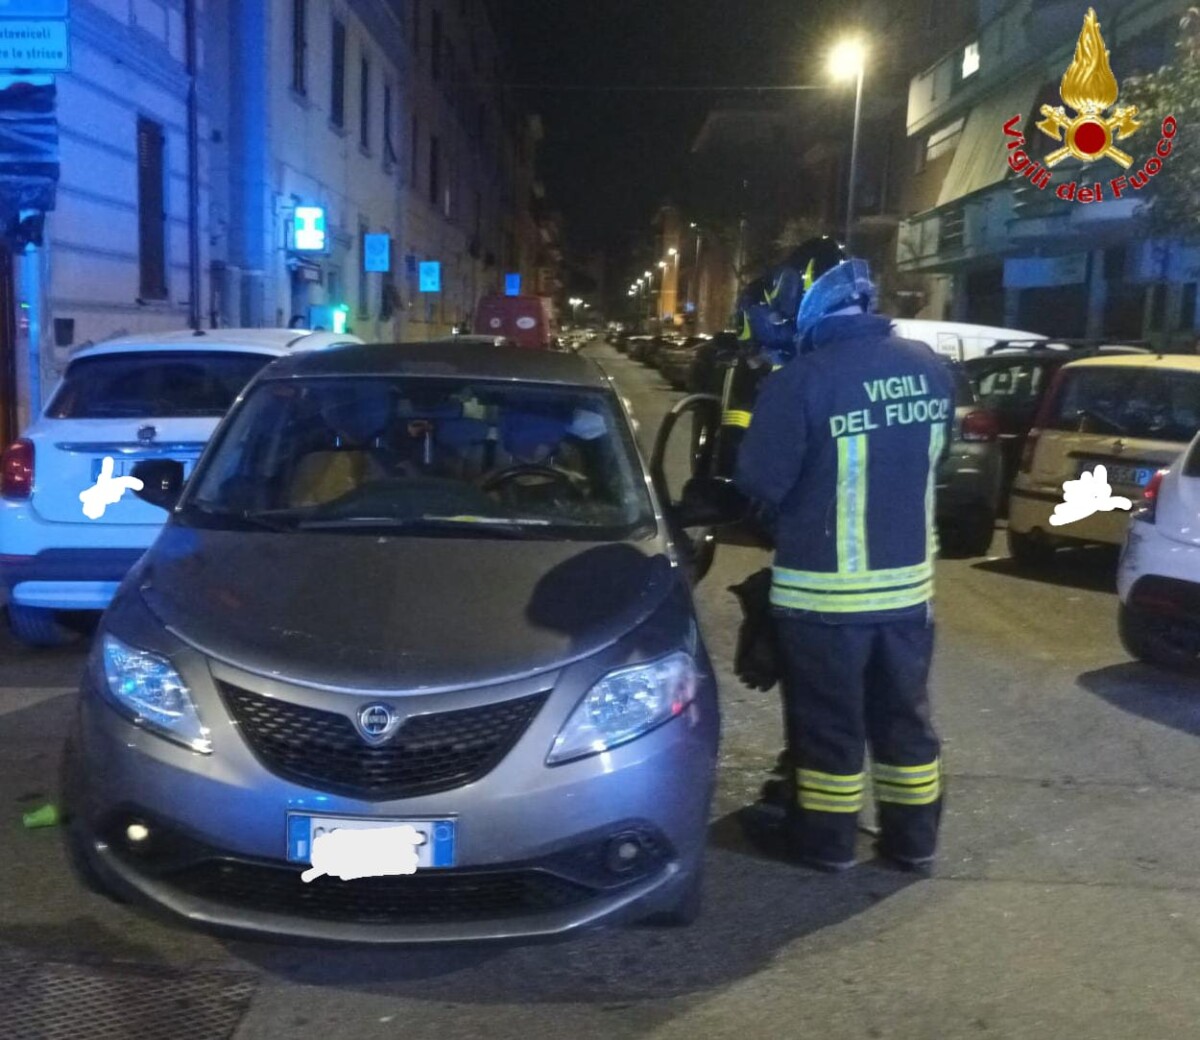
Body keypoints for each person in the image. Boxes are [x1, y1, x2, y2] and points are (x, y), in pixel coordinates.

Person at [734, 258, 956, 874]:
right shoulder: (930, 369)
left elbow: (759, 481)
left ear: (807, 307)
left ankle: (826, 846)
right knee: (904, 723)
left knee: (829, 729)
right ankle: (914, 843)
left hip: (825, 599)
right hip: (908, 592)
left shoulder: (802, 380)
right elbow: (934, 460)